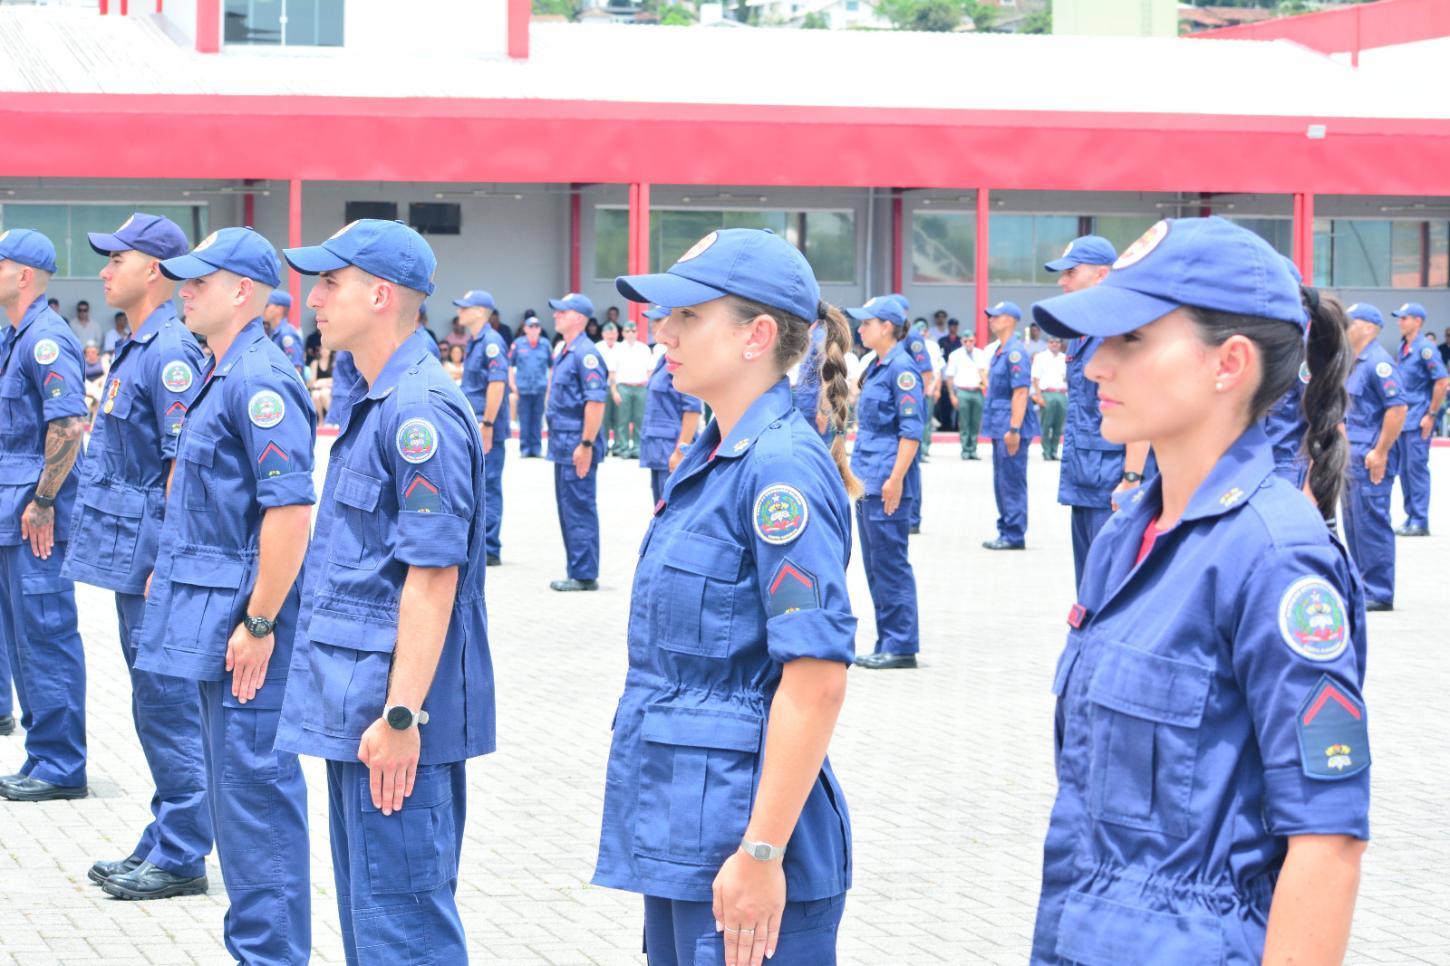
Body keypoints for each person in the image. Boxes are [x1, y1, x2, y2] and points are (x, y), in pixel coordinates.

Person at [1029, 216, 1366, 966]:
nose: (1095, 366)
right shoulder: (1127, 535)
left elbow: (1327, 841)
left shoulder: (1277, 560)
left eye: (1132, 339)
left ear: (1229, 363)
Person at [598, 227, 858, 965]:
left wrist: (763, 850)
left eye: (688, 316)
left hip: (746, 836)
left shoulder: (780, 470)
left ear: (758, 336)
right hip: (686, 823)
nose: (664, 332)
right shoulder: (714, 454)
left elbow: (816, 678)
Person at [278, 218, 493, 963]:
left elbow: (434, 577)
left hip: (395, 716)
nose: (313, 299)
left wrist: (403, 715)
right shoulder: (378, 398)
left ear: (380, 295)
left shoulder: (418, 411)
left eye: (329, 283)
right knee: (374, 925)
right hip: (360, 704)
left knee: (405, 932)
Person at [122, 228, 316, 957]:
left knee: (255, 800)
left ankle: (271, 954)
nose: (186, 291)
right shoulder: (221, 370)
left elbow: (290, 512)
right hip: (216, 621)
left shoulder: (259, 379)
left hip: (246, 629)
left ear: (242, 291)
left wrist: (261, 623)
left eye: (201, 280)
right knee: (237, 802)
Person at [65, 213, 213, 897]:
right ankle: (166, 834)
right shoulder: (139, 345)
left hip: (156, 561)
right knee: (152, 705)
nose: (104, 271)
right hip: (137, 559)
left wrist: (169, 561)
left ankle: (182, 852)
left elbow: (185, 465)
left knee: (168, 706)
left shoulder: (171, 350)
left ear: (153, 269)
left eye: (115, 259)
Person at [0, 229, 89, 799]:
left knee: (47, 636)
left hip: (36, 520)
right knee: (23, 643)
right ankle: (42, 755)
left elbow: (69, 425)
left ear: (24, 274)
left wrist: (44, 501)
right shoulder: (15, 337)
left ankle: (62, 765)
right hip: (13, 516)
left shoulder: (46, 340)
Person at [1044, 235, 1151, 586]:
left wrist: (1132, 478)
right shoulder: (1082, 331)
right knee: (1089, 586)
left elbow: (1139, 409)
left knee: (1111, 583)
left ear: (1101, 274)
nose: (1062, 282)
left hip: (1113, 481)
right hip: (1085, 477)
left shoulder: (1119, 332)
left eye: (1071, 272)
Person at [847, 296, 923, 671]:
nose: (860, 329)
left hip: (885, 482)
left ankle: (901, 644)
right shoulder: (876, 366)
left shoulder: (902, 369)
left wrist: (895, 480)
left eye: (867, 323)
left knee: (890, 565)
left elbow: (911, 432)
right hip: (868, 479)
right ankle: (886, 640)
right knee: (876, 566)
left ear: (887, 327)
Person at [1341, 303, 1406, 611]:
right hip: (1351, 457)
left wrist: (1380, 452)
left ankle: (1379, 592)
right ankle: (1362, 586)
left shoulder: (1378, 363)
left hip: (1370, 458)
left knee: (1371, 523)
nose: (1344, 327)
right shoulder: (1354, 362)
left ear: (1368, 327)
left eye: (1350, 322)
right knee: (1354, 526)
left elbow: (1397, 409)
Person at [545, 292, 607, 592]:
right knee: (568, 508)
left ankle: (584, 574)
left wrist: (586, 445)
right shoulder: (567, 350)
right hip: (563, 443)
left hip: (576, 445)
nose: (556, 315)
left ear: (579, 318)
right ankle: (577, 569)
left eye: (563, 311)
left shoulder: (586, 353)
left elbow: (595, 403)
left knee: (579, 507)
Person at [455, 289, 510, 567]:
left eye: (465, 307)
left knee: (488, 486)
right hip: (474, 424)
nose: (459, 311)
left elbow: (497, 384)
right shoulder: (475, 341)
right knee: (475, 485)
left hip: (486, 426)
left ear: (479, 312)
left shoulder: (491, 342)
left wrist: (487, 423)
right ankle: (478, 543)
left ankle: (489, 547)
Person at [982, 301, 1038, 550]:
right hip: (1000, 425)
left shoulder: (1015, 352)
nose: (991, 320)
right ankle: (1006, 529)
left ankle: (1014, 534)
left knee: (1011, 481)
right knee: (1001, 481)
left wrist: (1014, 429)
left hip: (1010, 427)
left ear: (1009, 320)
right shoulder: (1000, 351)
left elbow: (1021, 392)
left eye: (996, 316)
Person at [1390, 302, 1448, 536]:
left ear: (1418, 321)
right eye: (1399, 318)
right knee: (1405, 470)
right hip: (1404, 418)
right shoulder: (1404, 346)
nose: (1400, 322)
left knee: (1416, 469)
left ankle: (1420, 520)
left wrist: (1431, 415)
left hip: (1419, 418)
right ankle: (1411, 516)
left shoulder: (1426, 349)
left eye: (1404, 318)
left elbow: (1442, 381)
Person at [638, 305, 702, 503]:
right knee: (660, 507)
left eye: (658, 320)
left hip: (671, 449)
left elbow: (692, 410)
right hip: (659, 450)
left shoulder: (683, 359)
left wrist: (680, 451)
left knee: (671, 506)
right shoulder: (663, 358)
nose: (653, 325)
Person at [510, 314, 552, 457]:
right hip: (523, 388)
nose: (534, 329)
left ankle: (536, 448)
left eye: (536, 327)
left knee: (537, 418)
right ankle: (525, 448)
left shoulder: (545, 344)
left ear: (540, 329)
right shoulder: (518, 344)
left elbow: (551, 367)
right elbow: (510, 365)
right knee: (524, 418)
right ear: (525, 329)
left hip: (540, 387)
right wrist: (512, 385)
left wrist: (549, 385)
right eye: (531, 326)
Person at [612, 319, 654, 459]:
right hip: (624, 387)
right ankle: (623, 447)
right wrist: (614, 391)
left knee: (639, 419)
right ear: (623, 333)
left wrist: (650, 389)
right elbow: (612, 373)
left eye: (633, 331)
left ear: (637, 332)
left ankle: (637, 448)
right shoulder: (617, 348)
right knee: (622, 420)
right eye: (627, 331)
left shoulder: (644, 348)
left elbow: (650, 371)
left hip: (641, 387)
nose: (630, 333)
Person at [945, 331, 988, 460]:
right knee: (964, 422)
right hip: (962, 391)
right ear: (961, 341)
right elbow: (950, 376)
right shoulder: (955, 355)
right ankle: (965, 449)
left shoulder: (981, 354)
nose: (968, 343)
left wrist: (986, 390)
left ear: (975, 341)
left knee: (976, 422)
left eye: (971, 341)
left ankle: (973, 449)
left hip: (977, 391)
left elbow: (985, 373)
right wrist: (952, 395)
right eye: (965, 341)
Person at [1031, 337, 1068, 461]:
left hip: (1062, 394)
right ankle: (1046, 451)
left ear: (1060, 344)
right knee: (1046, 424)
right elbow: (1035, 378)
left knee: (1059, 425)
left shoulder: (1064, 358)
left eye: (1057, 342)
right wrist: (1039, 396)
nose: (1054, 344)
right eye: (1052, 342)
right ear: (1048, 343)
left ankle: (1054, 451)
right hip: (1047, 393)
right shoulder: (1040, 357)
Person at [263, 290, 305, 376]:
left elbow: (296, 369)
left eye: (267, 305)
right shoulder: (274, 333)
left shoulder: (286, 334)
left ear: (279, 309)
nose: (263, 309)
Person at [599, 321, 621, 454]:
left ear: (617, 334)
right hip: (602, 386)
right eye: (608, 333)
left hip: (619, 387)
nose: (611, 336)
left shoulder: (621, 348)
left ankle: (618, 446)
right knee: (604, 418)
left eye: (613, 333)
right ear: (603, 334)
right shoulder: (598, 347)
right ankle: (604, 445)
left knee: (619, 417)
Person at [311, 345, 337, 420]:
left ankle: (332, 418)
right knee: (315, 396)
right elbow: (312, 382)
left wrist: (323, 382)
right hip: (318, 388)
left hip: (330, 387)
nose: (325, 351)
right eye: (323, 349)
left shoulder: (334, 362)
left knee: (324, 394)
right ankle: (321, 419)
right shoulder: (315, 363)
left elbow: (336, 378)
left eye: (327, 349)